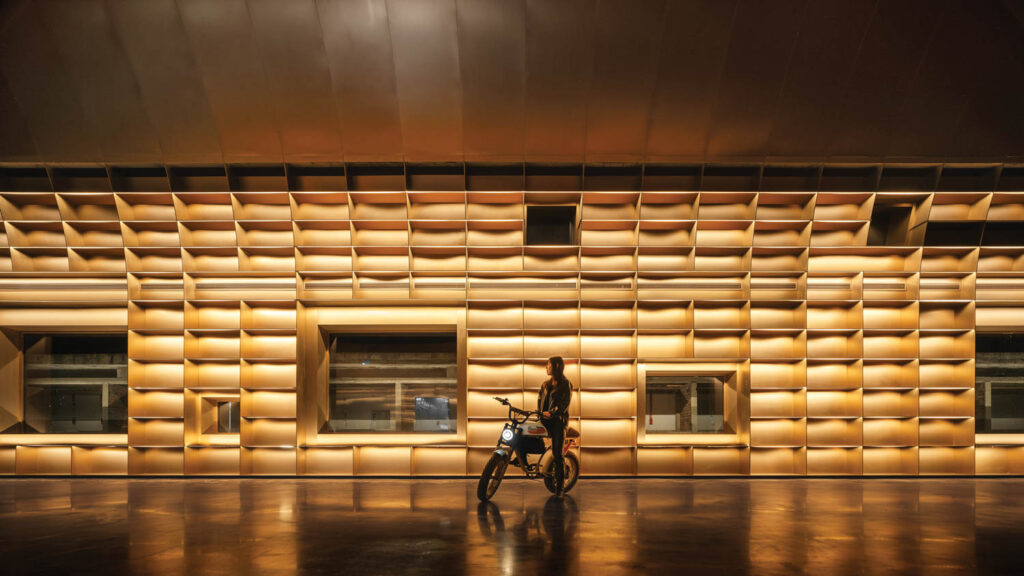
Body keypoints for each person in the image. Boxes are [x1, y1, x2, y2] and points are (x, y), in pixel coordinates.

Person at [538, 355, 572, 497]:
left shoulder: (566, 384)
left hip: (558, 421)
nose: (547, 367)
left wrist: (552, 413)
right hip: (545, 419)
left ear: (557, 366)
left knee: (557, 454)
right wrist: (540, 414)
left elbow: (564, 405)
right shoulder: (545, 384)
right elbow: (540, 401)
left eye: (549, 364)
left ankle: (560, 488)